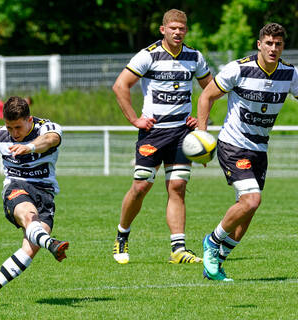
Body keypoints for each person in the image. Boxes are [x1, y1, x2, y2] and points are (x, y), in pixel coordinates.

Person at [197, 23, 298, 281]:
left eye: (278, 44)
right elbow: (206, 96)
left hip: (259, 149)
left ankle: (217, 262)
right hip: (233, 144)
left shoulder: (289, 74)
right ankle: (212, 241)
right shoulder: (238, 68)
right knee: (252, 200)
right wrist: (201, 134)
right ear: (259, 44)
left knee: (248, 209)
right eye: (269, 43)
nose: (273, 48)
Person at [112, 9, 212, 265]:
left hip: (182, 133)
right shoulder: (148, 55)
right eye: (173, 28)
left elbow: (210, 90)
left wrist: (200, 122)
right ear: (163, 29)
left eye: (182, 28)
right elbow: (120, 85)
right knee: (141, 186)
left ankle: (178, 249)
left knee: (177, 187)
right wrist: (135, 119)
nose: (178, 32)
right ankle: (122, 235)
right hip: (153, 133)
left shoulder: (195, 57)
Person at [0, 96, 69, 308]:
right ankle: (52, 244)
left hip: (45, 193)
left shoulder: (46, 128)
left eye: (18, 127)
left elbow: (50, 140)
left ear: (29, 119)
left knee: (30, 248)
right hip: (16, 188)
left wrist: (29, 147)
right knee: (29, 218)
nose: (14, 133)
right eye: (10, 127)